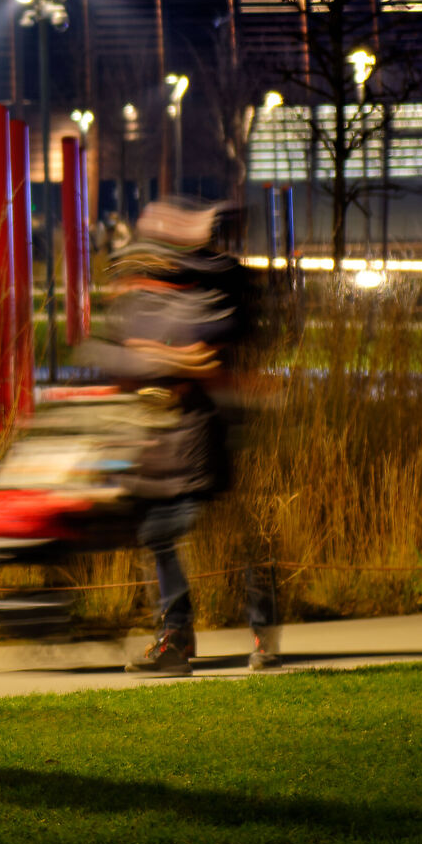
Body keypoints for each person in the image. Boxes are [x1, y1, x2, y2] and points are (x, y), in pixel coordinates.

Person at [87, 199, 278, 675]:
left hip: (208, 431)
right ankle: (178, 636)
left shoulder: (216, 287)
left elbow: (204, 357)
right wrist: (167, 359)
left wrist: (159, 358)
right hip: (161, 438)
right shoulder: (147, 296)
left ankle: (257, 629)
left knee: (225, 533)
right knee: (160, 531)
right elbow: (122, 355)